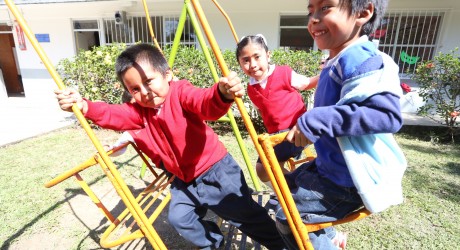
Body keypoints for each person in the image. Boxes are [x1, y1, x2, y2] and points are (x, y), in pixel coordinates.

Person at [55, 43, 286, 250]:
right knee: (180, 219)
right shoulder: (139, 112)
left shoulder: (181, 92)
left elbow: (204, 103)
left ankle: (283, 244)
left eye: (148, 81)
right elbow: (113, 113)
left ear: (168, 75)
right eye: (135, 89)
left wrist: (221, 94)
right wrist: (85, 106)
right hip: (183, 180)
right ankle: (212, 242)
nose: (144, 92)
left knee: (246, 216)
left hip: (216, 171)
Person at [275, 0, 406, 249]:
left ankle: (326, 245)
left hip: (346, 181)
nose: (313, 18)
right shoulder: (335, 60)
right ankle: (329, 237)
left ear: (364, 12)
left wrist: (317, 119)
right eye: (311, 10)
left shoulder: (361, 58)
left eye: (325, 7)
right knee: (285, 186)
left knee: (286, 218)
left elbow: (385, 115)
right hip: (329, 167)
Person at [235, 34, 319, 185]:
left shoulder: (283, 73)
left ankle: (296, 187)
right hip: (278, 136)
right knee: (267, 169)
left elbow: (307, 83)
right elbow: (262, 111)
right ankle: (292, 188)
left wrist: (326, 73)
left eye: (257, 57)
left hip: (296, 130)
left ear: (268, 55)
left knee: (264, 169)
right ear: (240, 64)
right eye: (245, 60)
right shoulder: (251, 88)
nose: (252, 64)